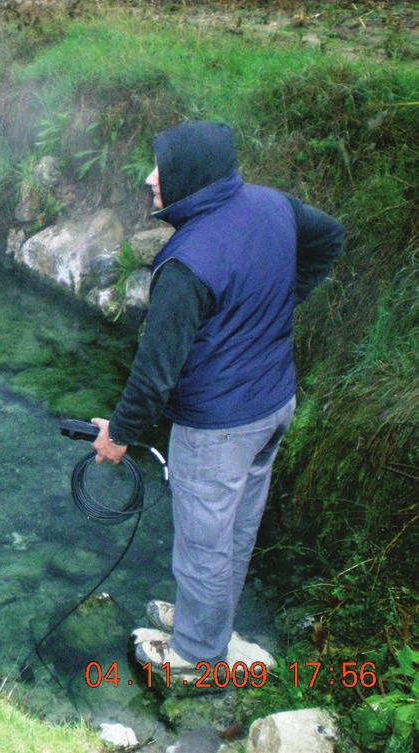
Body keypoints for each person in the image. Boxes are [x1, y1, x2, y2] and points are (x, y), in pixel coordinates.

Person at [89, 121, 344, 682]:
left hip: (218, 427)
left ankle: (197, 658)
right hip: (273, 405)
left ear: (192, 176)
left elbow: (154, 375)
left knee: (204, 544)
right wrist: (280, 302)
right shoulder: (272, 205)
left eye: (161, 168)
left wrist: (118, 436)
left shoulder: (186, 262)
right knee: (236, 530)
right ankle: (207, 622)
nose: (151, 179)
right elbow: (329, 236)